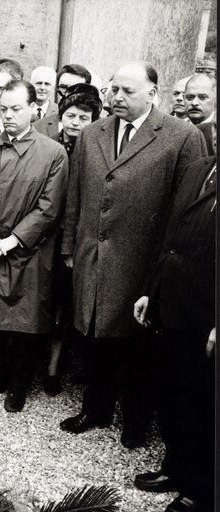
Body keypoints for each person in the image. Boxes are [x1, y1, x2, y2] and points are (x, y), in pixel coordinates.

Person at [59, 61, 206, 448]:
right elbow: (75, 193)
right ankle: (96, 408)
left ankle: (136, 422)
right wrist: (70, 247)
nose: (116, 97)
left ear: (152, 94)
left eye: (127, 91)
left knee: (139, 349)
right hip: (93, 256)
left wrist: (164, 272)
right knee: (94, 338)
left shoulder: (181, 136)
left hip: (144, 263)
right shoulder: (93, 133)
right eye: (113, 89)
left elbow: (187, 210)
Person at [0, 79, 68, 412]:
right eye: (3, 109)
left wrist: (14, 239)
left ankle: (19, 384)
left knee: (23, 319)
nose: (7, 115)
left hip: (28, 250)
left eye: (16, 109)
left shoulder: (53, 153)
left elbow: (49, 207)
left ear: (34, 109)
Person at [132, 145, 216, 512]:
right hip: (171, 305)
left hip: (206, 316)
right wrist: (151, 290)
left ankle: (203, 488)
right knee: (170, 392)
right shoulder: (200, 167)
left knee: (203, 403)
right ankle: (175, 468)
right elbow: (170, 236)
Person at [44, 83, 102, 396]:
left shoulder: (97, 153)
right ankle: (48, 367)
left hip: (78, 243)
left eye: (83, 116)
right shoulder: (50, 146)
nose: (75, 122)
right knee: (49, 306)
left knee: (70, 308)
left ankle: (68, 365)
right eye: (70, 115)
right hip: (47, 238)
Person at [34, 63, 91, 138]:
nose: (69, 94)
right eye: (64, 87)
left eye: (75, 89)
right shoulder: (38, 127)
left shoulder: (97, 127)